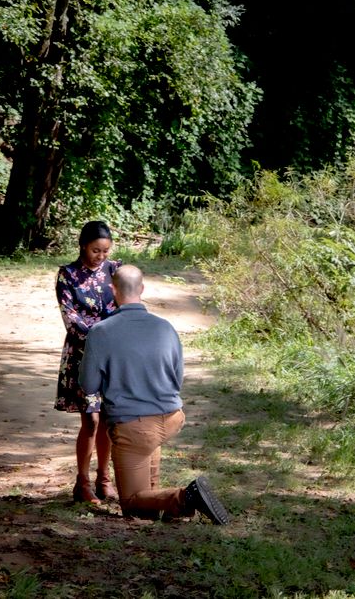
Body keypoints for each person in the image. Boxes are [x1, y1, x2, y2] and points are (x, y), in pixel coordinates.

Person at [79, 264, 230, 524]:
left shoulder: (101, 332)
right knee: (148, 505)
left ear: (112, 290)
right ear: (142, 289)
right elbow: (177, 377)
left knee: (131, 503)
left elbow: (88, 385)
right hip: (171, 417)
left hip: (134, 427)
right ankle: (168, 508)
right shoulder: (166, 328)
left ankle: (185, 497)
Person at [55, 220, 122, 504]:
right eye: (96, 250)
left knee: (108, 420)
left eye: (105, 251)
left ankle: (103, 480)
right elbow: (70, 318)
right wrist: (99, 338)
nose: (101, 256)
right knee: (91, 420)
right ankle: (82, 484)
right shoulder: (67, 274)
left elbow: (127, 304)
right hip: (84, 354)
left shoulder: (115, 270)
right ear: (83, 245)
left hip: (114, 354)